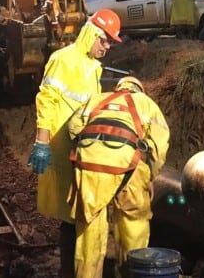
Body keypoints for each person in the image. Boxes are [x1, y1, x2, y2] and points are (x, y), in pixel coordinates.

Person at [28, 8, 123, 277]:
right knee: (72, 213)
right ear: (92, 33)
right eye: (104, 40)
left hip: (81, 148)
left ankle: (75, 268)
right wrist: (42, 142)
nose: (106, 47)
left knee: (79, 210)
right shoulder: (63, 59)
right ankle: (69, 270)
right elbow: (46, 100)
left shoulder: (93, 66)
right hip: (60, 145)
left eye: (110, 43)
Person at [65, 76, 170, 278]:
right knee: (133, 225)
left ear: (118, 87)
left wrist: (88, 149)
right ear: (140, 89)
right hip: (128, 166)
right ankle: (132, 271)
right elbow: (159, 148)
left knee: (89, 231)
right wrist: (149, 176)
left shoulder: (96, 99)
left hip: (90, 166)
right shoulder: (147, 103)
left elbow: (73, 128)